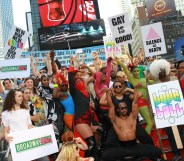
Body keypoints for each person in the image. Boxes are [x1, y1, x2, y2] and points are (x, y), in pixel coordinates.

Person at [101, 84, 165, 161]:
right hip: (122, 148)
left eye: (125, 108)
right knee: (105, 156)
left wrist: (135, 88)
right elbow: (111, 106)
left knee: (157, 151)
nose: (124, 110)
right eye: (122, 108)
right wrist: (108, 93)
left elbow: (135, 103)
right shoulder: (115, 120)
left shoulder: (133, 118)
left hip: (135, 146)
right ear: (118, 110)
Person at [150, 59, 184, 161]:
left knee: (180, 131)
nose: (161, 72)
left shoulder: (174, 79)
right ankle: (176, 153)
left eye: (163, 69)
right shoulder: (154, 84)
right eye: (159, 70)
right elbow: (153, 100)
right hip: (164, 113)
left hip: (177, 110)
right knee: (170, 133)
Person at [1, 89, 34, 161]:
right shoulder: (5, 113)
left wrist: (46, 129)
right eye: (19, 96)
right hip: (15, 144)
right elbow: (6, 129)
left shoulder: (25, 111)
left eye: (22, 96)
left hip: (27, 142)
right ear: (13, 98)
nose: (22, 98)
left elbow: (30, 126)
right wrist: (6, 135)